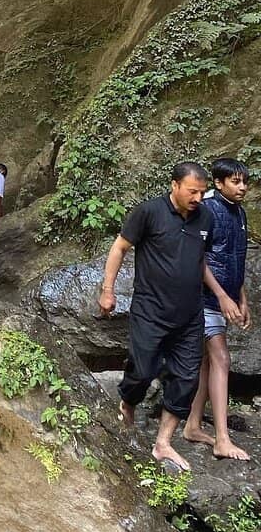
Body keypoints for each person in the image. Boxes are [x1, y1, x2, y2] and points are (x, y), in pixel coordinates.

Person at [99, 161, 244, 471]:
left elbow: (199, 260)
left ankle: (163, 443)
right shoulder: (149, 212)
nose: (198, 198)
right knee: (144, 368)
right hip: (151, 309)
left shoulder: (204, 216)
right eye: (192, 191)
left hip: (190, 314)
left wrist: (221, 294)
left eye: (202, 192)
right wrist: (108, 290)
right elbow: (120, 247)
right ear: (174, 186)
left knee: (187, 377)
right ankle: (128, 400)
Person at [183, 158, 252, 460]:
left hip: (223, 295)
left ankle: (193, 425)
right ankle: (222, 439)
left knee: (209, 363)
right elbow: (197, 258)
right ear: (219, 183)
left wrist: (241, 298)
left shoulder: (239, 213)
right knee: (221, 358)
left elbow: (236, 258)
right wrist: (223, 297)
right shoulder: (206, 210)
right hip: (201, 296)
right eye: (236, 182)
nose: (243, 187)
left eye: (245, 182)